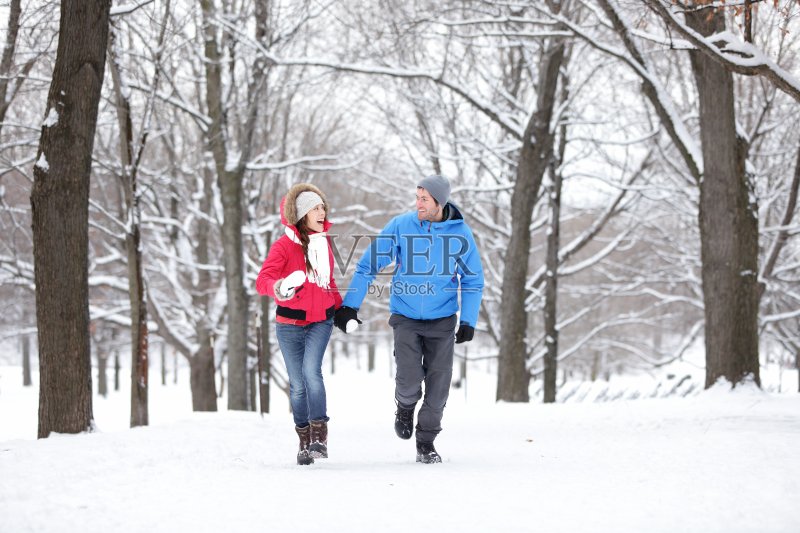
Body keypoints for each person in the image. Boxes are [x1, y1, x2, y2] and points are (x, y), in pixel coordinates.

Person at [334, 175, 484, 463]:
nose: (418, 204)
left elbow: (473, 280)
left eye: (424, 199)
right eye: (417, 197)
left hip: (442, 320)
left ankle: (426, 443)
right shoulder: (402, 225)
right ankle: (404, 406)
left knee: (439, 386)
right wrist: (350, 306)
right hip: (405, 316)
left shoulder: (460, 233)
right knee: (409, 379)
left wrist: (468, 321)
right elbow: (368, 265)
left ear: (440, 202)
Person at [256, 183, 342, 465]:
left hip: (320, 321)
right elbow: (263, 281)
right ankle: (303, 441)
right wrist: (279, 287)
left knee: (311, 372)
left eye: (323, 207)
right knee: (297, 385)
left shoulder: (323, 243)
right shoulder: (283, 247)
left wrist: (342, 310)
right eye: (316, 208)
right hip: (289, 324)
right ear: (303, 214)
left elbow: (328, 283)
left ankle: (320, 436)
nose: (322, 212)